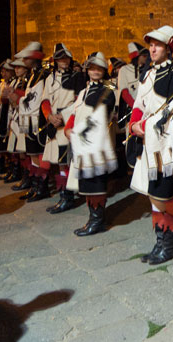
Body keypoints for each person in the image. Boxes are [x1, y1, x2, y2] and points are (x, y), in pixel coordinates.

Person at [129, 26, 173, 264]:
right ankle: (161, 242)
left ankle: (170, 243)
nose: (152, 48)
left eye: (157, 45)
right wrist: (133, 124)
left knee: (164, 195)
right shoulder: (147, 75)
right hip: (146, 140)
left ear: (169, 47)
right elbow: (139, 103)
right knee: (152, 195)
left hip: (165, 144)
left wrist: (144, 125)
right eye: (150, 45)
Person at [64, 52, 117, 235]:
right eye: (92, 68)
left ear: (104, 71)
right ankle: (92, 218)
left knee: (96, 183)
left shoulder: (107, 91)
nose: (95, 71)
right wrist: (68, 128)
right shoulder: (83, 91)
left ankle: (98, 221)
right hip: (82, 143)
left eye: (99, 68)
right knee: (86, 184)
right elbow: (74, 112)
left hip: (95, 144)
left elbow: (99, 115)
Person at [40, 44, 86, 212]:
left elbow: (79, 100)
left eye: (66, 58)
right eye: (60, 58)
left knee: (66, 162)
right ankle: (63, 196)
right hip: (53, 122)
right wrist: (49, 116)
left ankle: (69, 197)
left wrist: (63, 116)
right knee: (59, 164)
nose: (63, 61)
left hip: (66, 122)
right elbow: (45, 100)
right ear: (55, 61)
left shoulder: (77, 76)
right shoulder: (49, 78)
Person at [12, 42, 49, 198]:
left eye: (26, 58)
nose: (24, 61)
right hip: (28, 119)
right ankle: (35, 185)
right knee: (32, 154)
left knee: (40, 154)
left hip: (38, 119)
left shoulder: (45, 74)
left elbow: (39, 99)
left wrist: (18, 98)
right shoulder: (33, 75)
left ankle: (42, 186)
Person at [0, 58, 28, 183]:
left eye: (19, 67)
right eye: (15, 67)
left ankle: (27, 178)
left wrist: (15, 95)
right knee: (15, 148)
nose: (16, 69)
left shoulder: (28, 81)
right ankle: (16, 172)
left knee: (25, 151)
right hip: (15, 117)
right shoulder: (16, 82)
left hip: (25, 118)